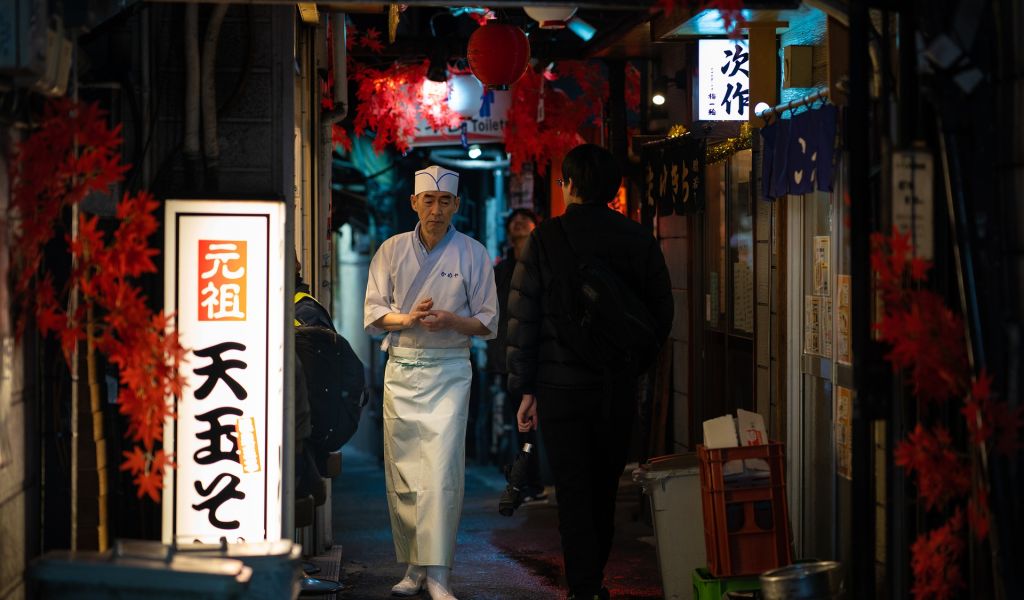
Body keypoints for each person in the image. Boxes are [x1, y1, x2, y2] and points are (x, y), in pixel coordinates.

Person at [506, 144, 674, 600]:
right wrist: (633, 364)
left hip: (560, 390)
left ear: (572, 186)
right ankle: (591, 576)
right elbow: (662, 311)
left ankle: (584, 586)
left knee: (573, 489)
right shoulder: (637, 238)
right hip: (614, 387)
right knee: (603, 486)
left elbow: (524, 317)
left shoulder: (546, 239)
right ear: (613, 187)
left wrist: (524, 388)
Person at [363, 165, 499, 600]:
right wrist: (410, 319)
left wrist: (453, 321)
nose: (436, 210)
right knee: (403, 472)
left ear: (457, 205)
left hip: (449, 370)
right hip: (401, 367)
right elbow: (373, 315)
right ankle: (413, 566)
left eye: (444, 202)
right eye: (429, 201)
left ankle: (440, 572)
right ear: (414, 203)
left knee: (440, 470)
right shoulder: (391, 250)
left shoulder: (473, 253)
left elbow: (487, 321)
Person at [485, 208, 545, 497]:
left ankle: (540, 476)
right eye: (514, 220)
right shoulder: (500, 270)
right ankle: (530, 480)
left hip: (543, 357)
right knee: (523, 425)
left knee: (539, 422)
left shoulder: (545, 263)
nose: (519, 223)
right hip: (511, 360)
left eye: (525, 219)